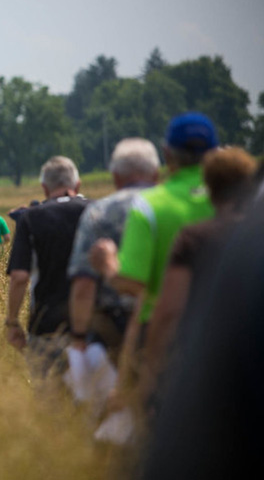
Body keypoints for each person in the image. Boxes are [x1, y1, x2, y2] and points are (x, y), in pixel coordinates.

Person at [90, 111, 218, 412]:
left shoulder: (150, 206)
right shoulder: (239, 200)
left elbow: (132, 283)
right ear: (214, 152)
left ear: (167, 154)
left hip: (163, 331)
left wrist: (108, 264)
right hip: (226, 328)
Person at [139, 147, 258, 406]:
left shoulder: (195, 238)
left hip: (207, 360)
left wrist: (150, 370)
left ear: (209, 186)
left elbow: (169, 311)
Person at [67, 138, 160, 364]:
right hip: (171, 321)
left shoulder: (99, 212)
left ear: (116, 177)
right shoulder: (172, 207)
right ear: (156, 174)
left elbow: (84, 282)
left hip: (112, 329)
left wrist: (78, 337)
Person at [5, 156, 88, 379]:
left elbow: (20, 277)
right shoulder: (97, 211)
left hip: (47, 324)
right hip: (94, 323)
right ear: (77, 185)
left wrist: (12, 321)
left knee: (48, 401)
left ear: (44, 188)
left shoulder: (31, 218)